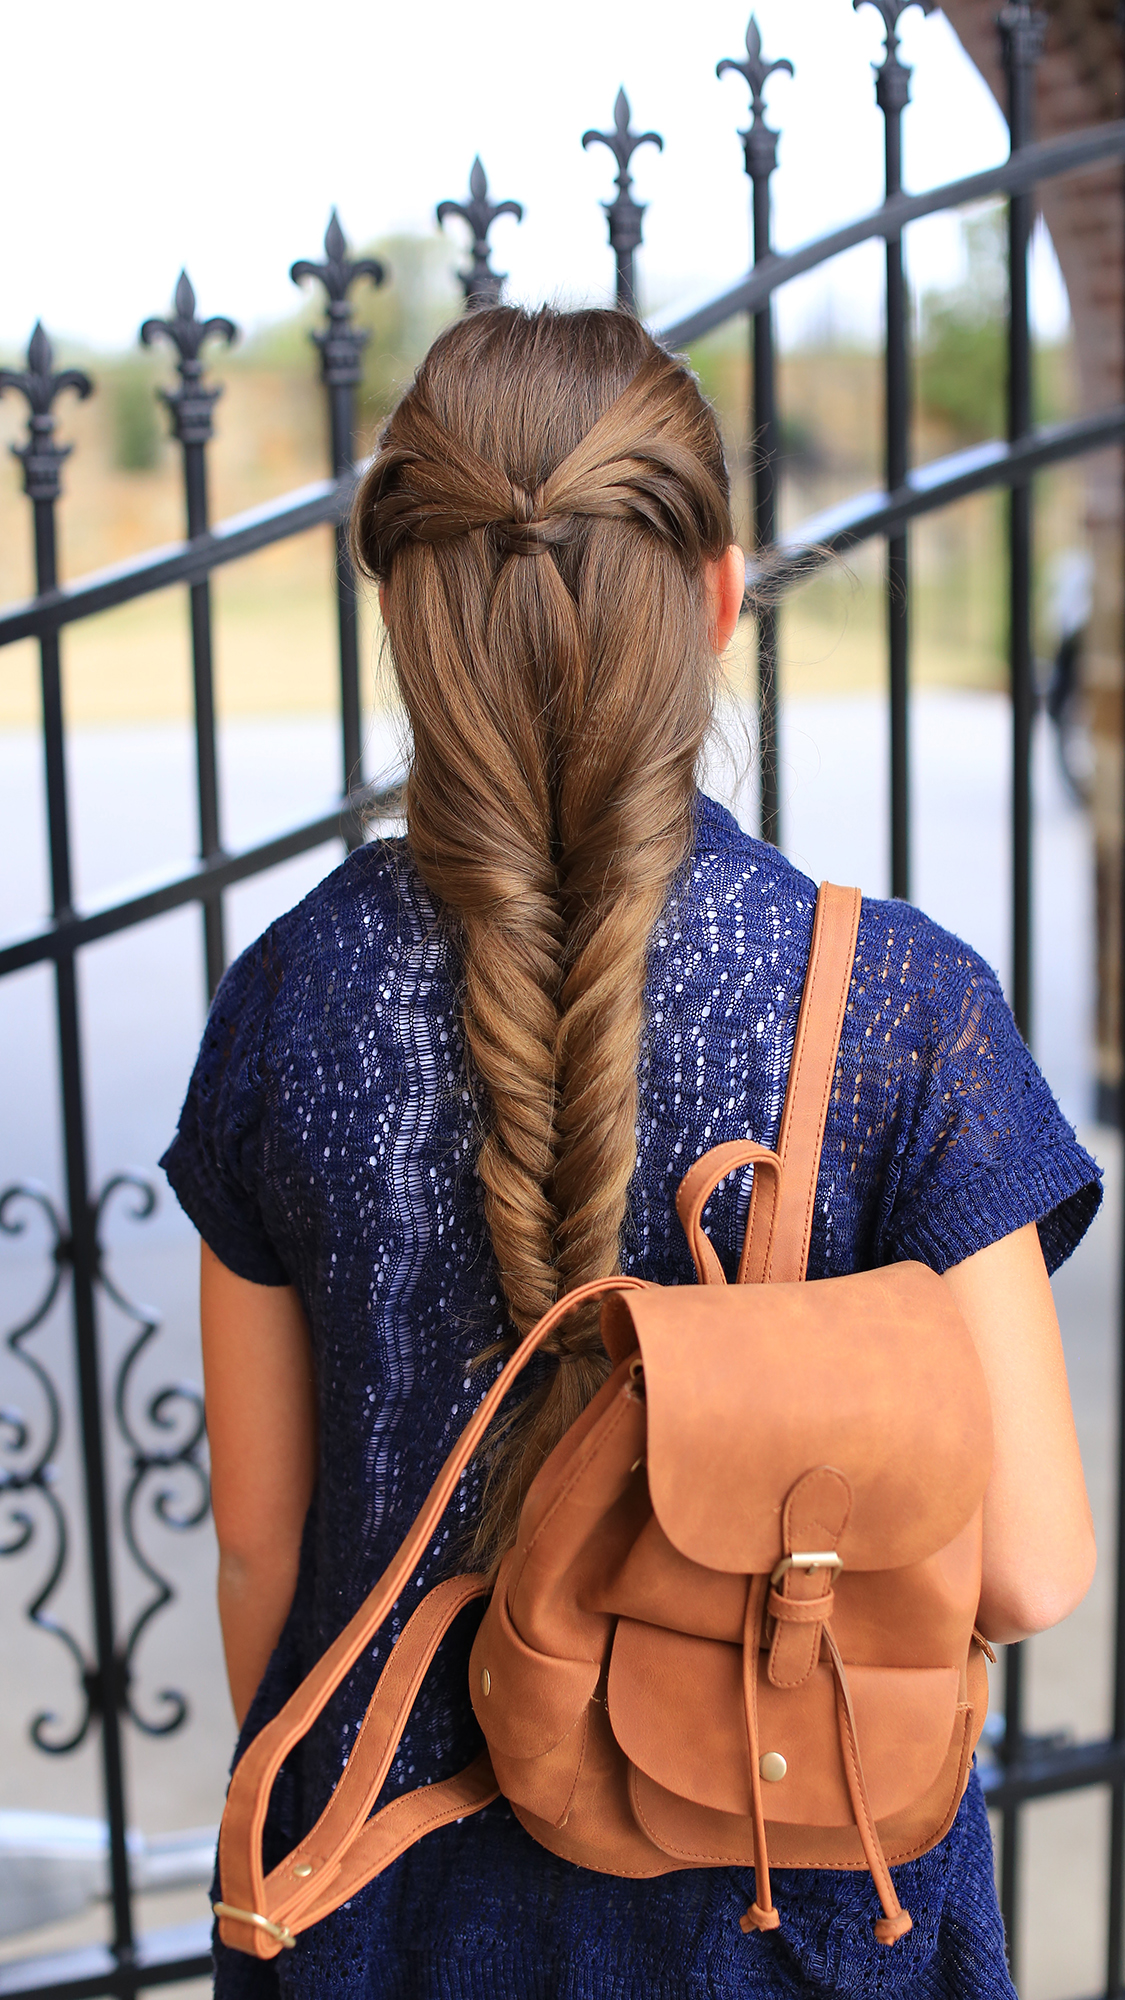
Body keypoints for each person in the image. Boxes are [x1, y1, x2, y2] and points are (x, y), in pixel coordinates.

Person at [162, 305, 1100, 2000]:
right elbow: (1029, 1563)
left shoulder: (290, 1004)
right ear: (719, 603)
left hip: (393, 1922)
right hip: (789, 1908)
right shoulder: (897, 1007)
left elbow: (261, 1551)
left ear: (401, 614)